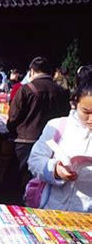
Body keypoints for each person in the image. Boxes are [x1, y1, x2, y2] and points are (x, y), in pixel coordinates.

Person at [3, 56, 71, 205]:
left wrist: (9, 129)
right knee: (43, 186)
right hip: (52, 145)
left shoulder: (26, 89)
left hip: (24, 143)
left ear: (32, 71)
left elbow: (13, 117)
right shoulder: (62, 91)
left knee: (15, 186)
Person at [28, 65, 92, 212]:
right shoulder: (58, 126)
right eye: (86, 111)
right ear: (75, 103)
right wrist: (55, 170)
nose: (91, 119)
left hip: (86, 219)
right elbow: (34, 160)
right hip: (50, 210)